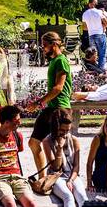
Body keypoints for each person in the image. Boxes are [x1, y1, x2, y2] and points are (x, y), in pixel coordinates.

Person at [26, 31, 73, 177]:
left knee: (58, 147)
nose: (43, 48)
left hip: (60, 108)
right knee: (34, 142)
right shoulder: (54, 61)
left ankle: (60, 177)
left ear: (54, 44)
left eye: (45, 45)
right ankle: (43, 177)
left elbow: (58, 88)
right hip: (51, 107)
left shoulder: (61, 60)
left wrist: (39, 102)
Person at [40, 113, 88, 207]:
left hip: (72, 175)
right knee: (68, 197)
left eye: (68, 130)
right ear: (56, 128)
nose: (65, 133)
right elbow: (55, 167)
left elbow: (76, 166)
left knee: (82, 196)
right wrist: (59, 149)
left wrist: (71, 180)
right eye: (62, 130)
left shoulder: (74, 140)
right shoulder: (47, 141)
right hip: (56, 177)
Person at [80, 0, 107, 74]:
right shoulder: (99, 12)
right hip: (100, 34)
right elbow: (106, 23)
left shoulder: (85, 14)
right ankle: (101, 72)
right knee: (102, 54)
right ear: (94, 3)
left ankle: (95, 71)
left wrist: (91, 27)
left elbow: (84, 27)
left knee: (93, 55)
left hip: (91, 35)